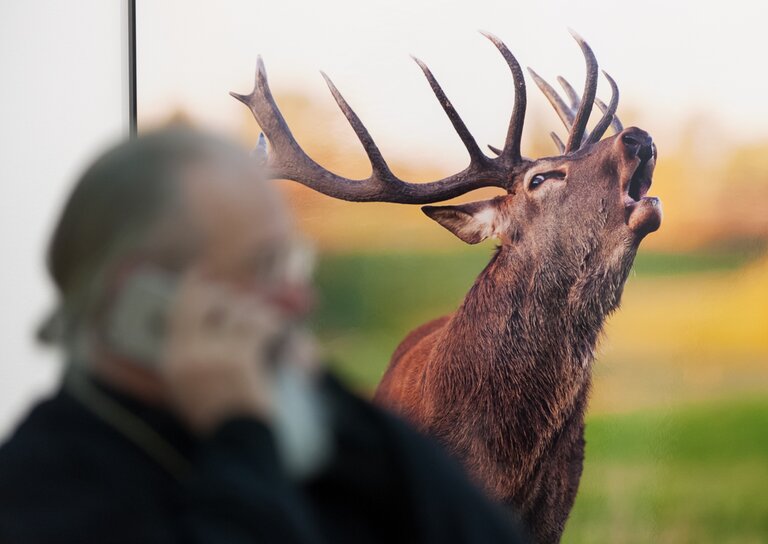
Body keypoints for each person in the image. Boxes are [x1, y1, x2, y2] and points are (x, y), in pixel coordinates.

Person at [0, 127, 525, 544]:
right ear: (142, 302)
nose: (302, 300)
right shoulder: (44, 496)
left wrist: (329, 402)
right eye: (266, 266)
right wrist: (243, 435)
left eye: (294, 265)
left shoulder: (309, 430)